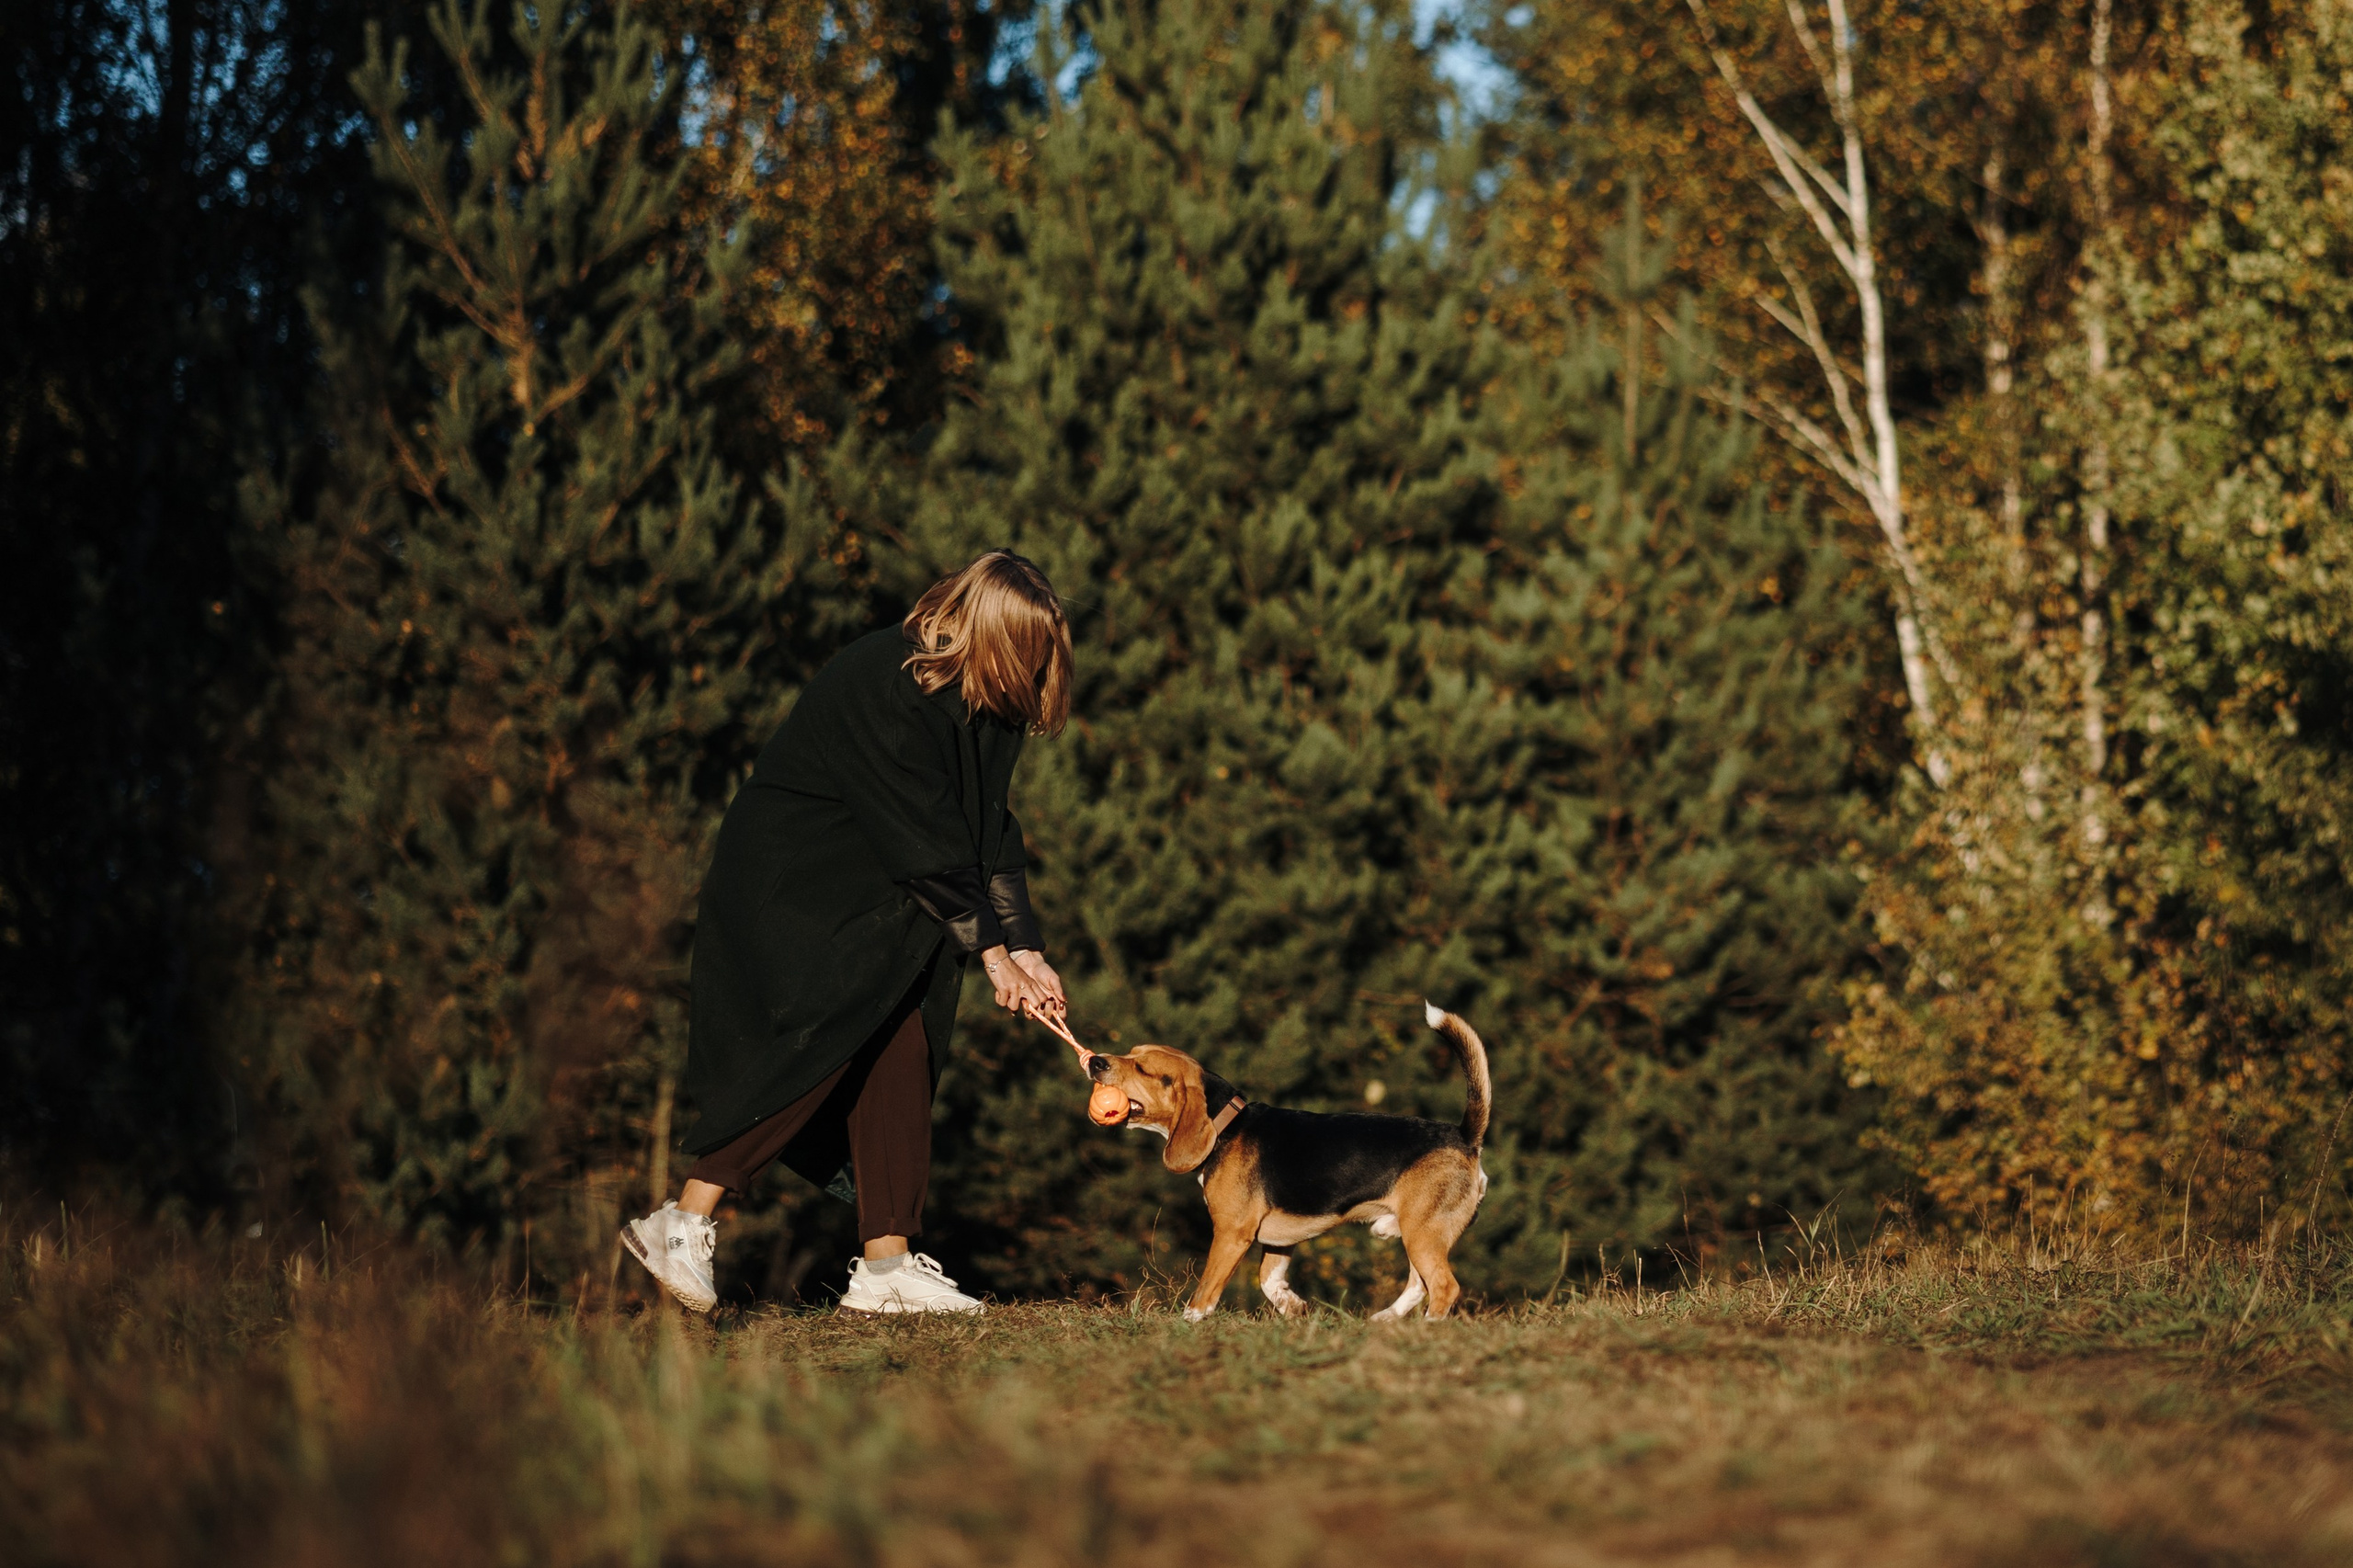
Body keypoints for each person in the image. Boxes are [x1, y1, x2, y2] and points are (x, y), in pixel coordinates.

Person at [621, 550, 1072, 1313]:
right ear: (988, 634)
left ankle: (887, 1268)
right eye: (1026, 652)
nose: (1035, 670)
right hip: (795, 878)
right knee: (831, 1027)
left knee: (900, 1037)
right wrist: (995, 960)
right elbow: (924, 839)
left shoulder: (989, 703)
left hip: (884, 882)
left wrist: (1027, 949)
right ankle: (682, 1220)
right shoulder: (889, 682)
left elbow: (988, 828)